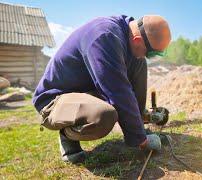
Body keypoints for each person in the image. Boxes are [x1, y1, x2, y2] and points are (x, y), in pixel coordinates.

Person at [32, 15, 171, 163]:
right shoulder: (104, 37)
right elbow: (118, 92)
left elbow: (123, 90)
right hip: (53, 100)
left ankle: (138, 125)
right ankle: (67, 134)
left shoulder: (124, 35)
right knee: (104, 116)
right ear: (137, 40)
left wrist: (139, 125)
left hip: (84, 93)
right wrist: (141, 140)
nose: (150, 57)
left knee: (139, 62)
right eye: (151, 53)